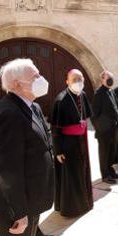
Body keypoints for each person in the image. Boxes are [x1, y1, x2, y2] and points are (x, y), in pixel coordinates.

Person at [0, 58, 54, 236]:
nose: (41, 78)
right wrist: (19, 212)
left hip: (30, 198)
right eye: (35, 76)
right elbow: (9, 169)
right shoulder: (9, 112)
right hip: (13, 206)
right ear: (17, 84)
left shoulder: (32, 106)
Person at [51, 69, 93, 217]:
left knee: (83, 171)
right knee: (71, 175)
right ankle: (71, 208)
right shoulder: (60, 100)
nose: (78, 82)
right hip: (67, 144)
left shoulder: (83, 95)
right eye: (74, 79)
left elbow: (86, 116)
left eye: (80, 78)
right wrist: (58, 151)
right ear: (67, 81)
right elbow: (55, 128)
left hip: (81, 141)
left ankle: (85, 203)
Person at [91, 70, 118, 184]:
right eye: (108, 78)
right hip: (104, 132)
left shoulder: (111, 91)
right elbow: (94, 115)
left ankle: (111, 171)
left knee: (111, 152)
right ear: (102, 80)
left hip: (113, 129)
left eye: (111, 77)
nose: (110, 79)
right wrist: (100, 129)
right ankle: (105, 175)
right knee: (104, 153)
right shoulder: (98, 94)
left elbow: (116, 106)